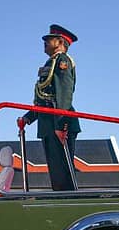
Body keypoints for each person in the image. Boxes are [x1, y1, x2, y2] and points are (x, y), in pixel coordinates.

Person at [18, 24, 81, 191]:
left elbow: (64, 94)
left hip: (58, 122)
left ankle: (68, 202)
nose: (45, 42)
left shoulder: (62, 61)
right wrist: (28, 117)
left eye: (49, 39)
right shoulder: (50, 62)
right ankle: (60, 198)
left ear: (60, 42)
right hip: (48, 123)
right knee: (56, 171)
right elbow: (44, 97)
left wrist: (62, 125)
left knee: (63, 169)